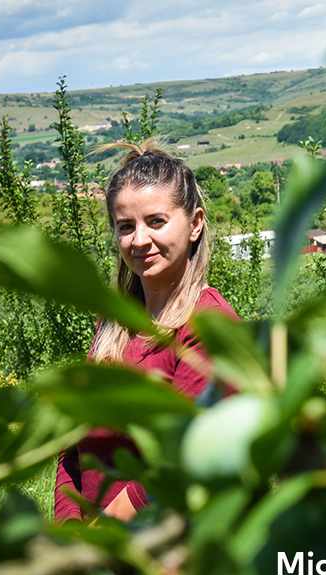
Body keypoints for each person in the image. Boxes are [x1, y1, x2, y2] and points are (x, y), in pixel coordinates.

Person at [54, 142, 239, 523]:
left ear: (195, 223)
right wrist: (70, 528)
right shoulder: (113, 326)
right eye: (126, 226)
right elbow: (73, 448)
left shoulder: (209, 326)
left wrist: (99, 538)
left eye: (156, 221)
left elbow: (184, 458)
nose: (139, 240)